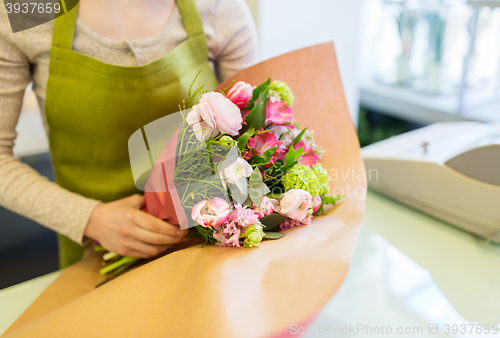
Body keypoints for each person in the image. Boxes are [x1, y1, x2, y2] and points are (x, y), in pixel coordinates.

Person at [0, 0, 258, 268]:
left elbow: (256, 133)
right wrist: (89, 218)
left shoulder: (217, 6)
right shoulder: (28, 9)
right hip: (96, 255)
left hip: (214, 248)